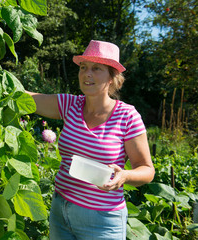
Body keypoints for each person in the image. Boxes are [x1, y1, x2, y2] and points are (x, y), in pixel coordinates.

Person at [26, 40, 155, 240]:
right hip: (61, 210)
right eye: (84, 67)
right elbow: (27, 99)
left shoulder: (127, 116)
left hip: (102, 220)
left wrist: (124, 176)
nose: (87, 73)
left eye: (96, 69)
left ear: (112, 77)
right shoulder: (70, 104)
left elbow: (147, 170)